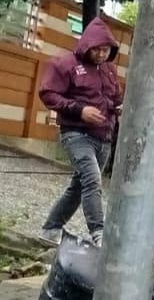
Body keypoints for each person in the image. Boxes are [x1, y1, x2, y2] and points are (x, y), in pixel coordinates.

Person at [37, 17, 123, 246]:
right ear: (87, 46)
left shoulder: (109, 71)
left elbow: (115, 98)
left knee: (80, 185)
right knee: (92, 180)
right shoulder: (64, 65)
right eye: (98, 50)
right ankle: (99, 233)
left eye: (106, 50)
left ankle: (50, 229)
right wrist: (79, 110)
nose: (102, 54)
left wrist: (119, 107)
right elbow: (48, 93)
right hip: (76, 134)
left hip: (103, 137)